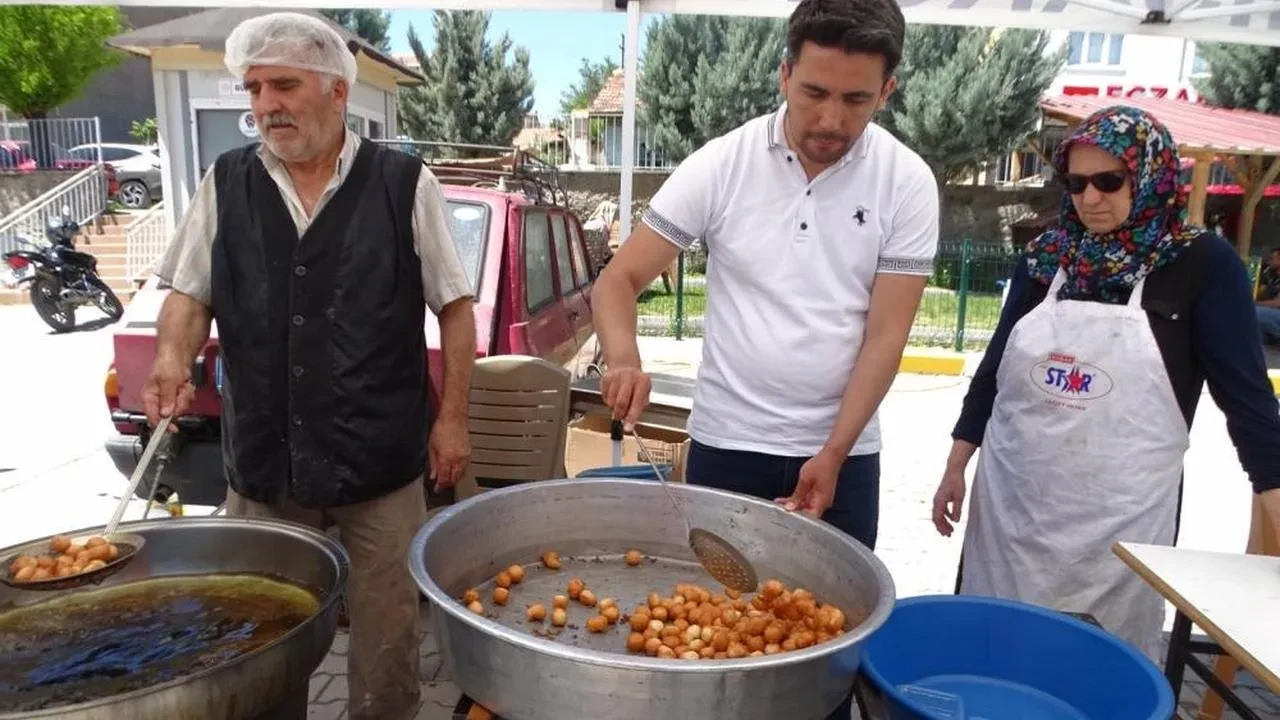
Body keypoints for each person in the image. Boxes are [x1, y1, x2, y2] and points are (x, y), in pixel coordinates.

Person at [141, 13, 476, 720]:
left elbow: (455, 307)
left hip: (380, 461)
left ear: (336, 92)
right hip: (265, 462)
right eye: (254, 88)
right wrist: (172, 358)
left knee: (386, 643)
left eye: (283, 85)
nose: (265, 105)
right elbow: (189, 293)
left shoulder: (403, 182)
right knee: (258, 639)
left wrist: (451, 421)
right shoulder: (227, 181)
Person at [932, 105, 1280, 662]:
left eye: (1109, 181)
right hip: (1013, 507)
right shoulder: (1046, 258)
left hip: (1121, 518)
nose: (1090, 198)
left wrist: (1273, 491)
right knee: (992, 651)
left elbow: (1248, 401)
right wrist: (956, 464)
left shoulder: (1201, 266)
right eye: (1075, 183)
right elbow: (994, 371)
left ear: (1149, 178)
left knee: (1097, 666)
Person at [594, 0, 937, 551]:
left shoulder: (908, 182)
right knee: (712, 624)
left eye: (856, 100)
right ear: (784, 76)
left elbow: (886, 336)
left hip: (844, 452)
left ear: (887, 91)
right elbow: (618, 280)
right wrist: (625, 361)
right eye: (814, 93)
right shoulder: (723, 163)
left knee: (832, 622)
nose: (831, 120)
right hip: (726, 444)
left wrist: (833, 453)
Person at [1254, 248, 1280, 344]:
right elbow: (1260, 293)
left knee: (1255, 312)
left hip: (1277, 312)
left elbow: (1277, 303)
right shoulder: (1272, 277)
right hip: (1272, 313)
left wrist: (1254, 303)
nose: (1269, 261)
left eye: (1272, 258)